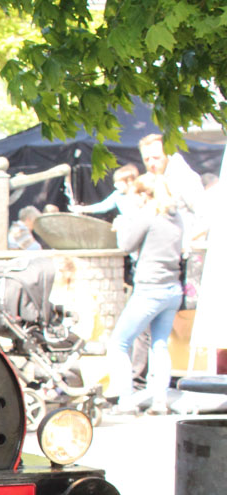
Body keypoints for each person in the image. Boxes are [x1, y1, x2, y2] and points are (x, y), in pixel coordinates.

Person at [106, 174, 185, 415]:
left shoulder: (148, 215)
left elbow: (126, 245)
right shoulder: (176, 217)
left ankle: (126, 400)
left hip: (150, 288)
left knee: (118, 343)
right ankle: (160, 399)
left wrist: (121, 226)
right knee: (159, 344)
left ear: (145, 194)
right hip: (172, 288)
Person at [70, 164, 140, 217]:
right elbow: (102, 206)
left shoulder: (141, 194)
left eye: (119, 182)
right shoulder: (117, 195)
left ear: (129, 181)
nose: (115, 185)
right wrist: (82, 209)